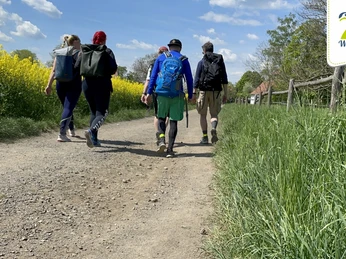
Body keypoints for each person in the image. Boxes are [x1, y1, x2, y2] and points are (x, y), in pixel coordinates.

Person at [144, 39, 194, 158]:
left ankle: (161, 139)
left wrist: (149, 92)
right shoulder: (184, 59)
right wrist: (191, 95)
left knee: (161, 118)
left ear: (170, 47)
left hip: (161, 93)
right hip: (176, 94)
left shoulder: (161, 58)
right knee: (173, 121)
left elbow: (153, 76)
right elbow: (189, 79)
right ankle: (170, 150)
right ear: (180, 48)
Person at [76, 31, 117, 148]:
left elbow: (76, 66)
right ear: (104, 40)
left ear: (93, 39)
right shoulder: (106, 51)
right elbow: (113, 68)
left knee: (93, 111)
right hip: (102, 83)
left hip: (87, 83)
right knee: (103, 112)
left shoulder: (84, 51)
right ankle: (90, 131)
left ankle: (94, 139)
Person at [45, 34, 82, 142]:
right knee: (68, 108)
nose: (80, 44)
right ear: (74, 42)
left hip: (60, 84)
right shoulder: (80, 54)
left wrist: (49, 85)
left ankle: (71, 129)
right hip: (74, 84)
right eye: (79, 42)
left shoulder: (60, 53)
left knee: (67, 107)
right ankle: (62, 134)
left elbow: (53, 70)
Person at [193, 41, 228, 144]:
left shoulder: (201, 62)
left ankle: (205, 137)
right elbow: (224, 78)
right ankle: (213, 128)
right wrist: (225, 94)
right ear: (212, 49)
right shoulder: (219, 61)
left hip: (203, 91)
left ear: (204, 50)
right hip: (216, 91)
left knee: (203, 115)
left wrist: (194, 93)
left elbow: (197, 78)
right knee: (214, 114)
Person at [141, 46, 169, 145]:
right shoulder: (171, 61)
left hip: (157, 91)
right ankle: (163, 135)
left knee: (158, 114)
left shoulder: (154, 63)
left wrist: (145, 93)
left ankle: (159, 133)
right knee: (166, 116)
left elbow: (148, 80)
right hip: (169, 92)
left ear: (158, 52)